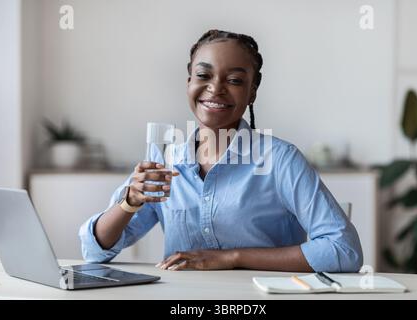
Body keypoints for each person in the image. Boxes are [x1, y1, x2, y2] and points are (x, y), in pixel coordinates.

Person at [79, 29, 363, 272]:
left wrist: (231, 258)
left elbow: (344, 250)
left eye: (235, 80)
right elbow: (94, 252)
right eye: (204, 74)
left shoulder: (280, 160)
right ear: (189, 81)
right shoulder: (164, 159)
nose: (215, 88)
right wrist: (129, 201)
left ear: (252, 92)